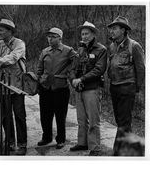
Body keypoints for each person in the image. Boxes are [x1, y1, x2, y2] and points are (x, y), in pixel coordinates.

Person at [0, 19, 27, 155]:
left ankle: (22, 144)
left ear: (10, 31)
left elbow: (14, 57)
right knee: (5, 116)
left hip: (16, 85)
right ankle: (9, 141)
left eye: (2, 30)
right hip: (2, 85)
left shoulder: (19, 43)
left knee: (19, 115)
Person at [107, 16, 145, 152]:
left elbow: (141, 69)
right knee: (121, 121)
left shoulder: (134, 46)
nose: (111, 31)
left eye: (115, 28)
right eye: (111, 28)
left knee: (123, 122)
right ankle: (131, 149)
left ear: (123, 30)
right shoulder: (111, 46)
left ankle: (117, 151)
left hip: (127, 87)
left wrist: (136, 87)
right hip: (114, 87)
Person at [69, 21, 107, 156]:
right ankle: (82, 143)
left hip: (92, 88)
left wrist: (82, 79)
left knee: (93, 120)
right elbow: (73, 67)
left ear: (93, 34)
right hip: (79, 88)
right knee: (81, 119)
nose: (84, 36)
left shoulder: (101, 49)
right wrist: (73, 79)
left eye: (86, 34)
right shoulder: (80, 49)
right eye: (82, 34)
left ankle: (95, 147)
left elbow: (99, 69)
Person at [37, 27, 77, 149]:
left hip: (60, 88)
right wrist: (40, 81)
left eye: (53, 37)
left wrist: (69, 72)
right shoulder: (45, 51)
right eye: (49, 37)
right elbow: (39, 69)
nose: (50, 39)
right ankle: (46, 137)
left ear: (60, 38)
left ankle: (61, 139)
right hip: (46, 88)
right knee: (45, 115)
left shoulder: (68, 51)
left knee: (60, 115)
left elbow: (77, 61)